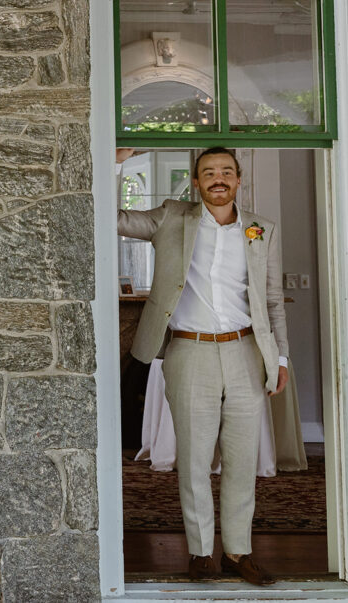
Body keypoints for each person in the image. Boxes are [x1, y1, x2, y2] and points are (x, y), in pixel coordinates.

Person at [117, 147, 289, 586]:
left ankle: (238, 551)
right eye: (209, 172)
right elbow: (112, 219)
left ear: (238, 179)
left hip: (246, 353)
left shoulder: (260, 229)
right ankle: (200, 553)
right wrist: (116, 164)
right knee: (193, 460)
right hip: (189, 352)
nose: (218, 179)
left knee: (241, 458)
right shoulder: (171, 216)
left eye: (226, 172)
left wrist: (280, 358)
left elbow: (271, 301)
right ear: (196, 182)